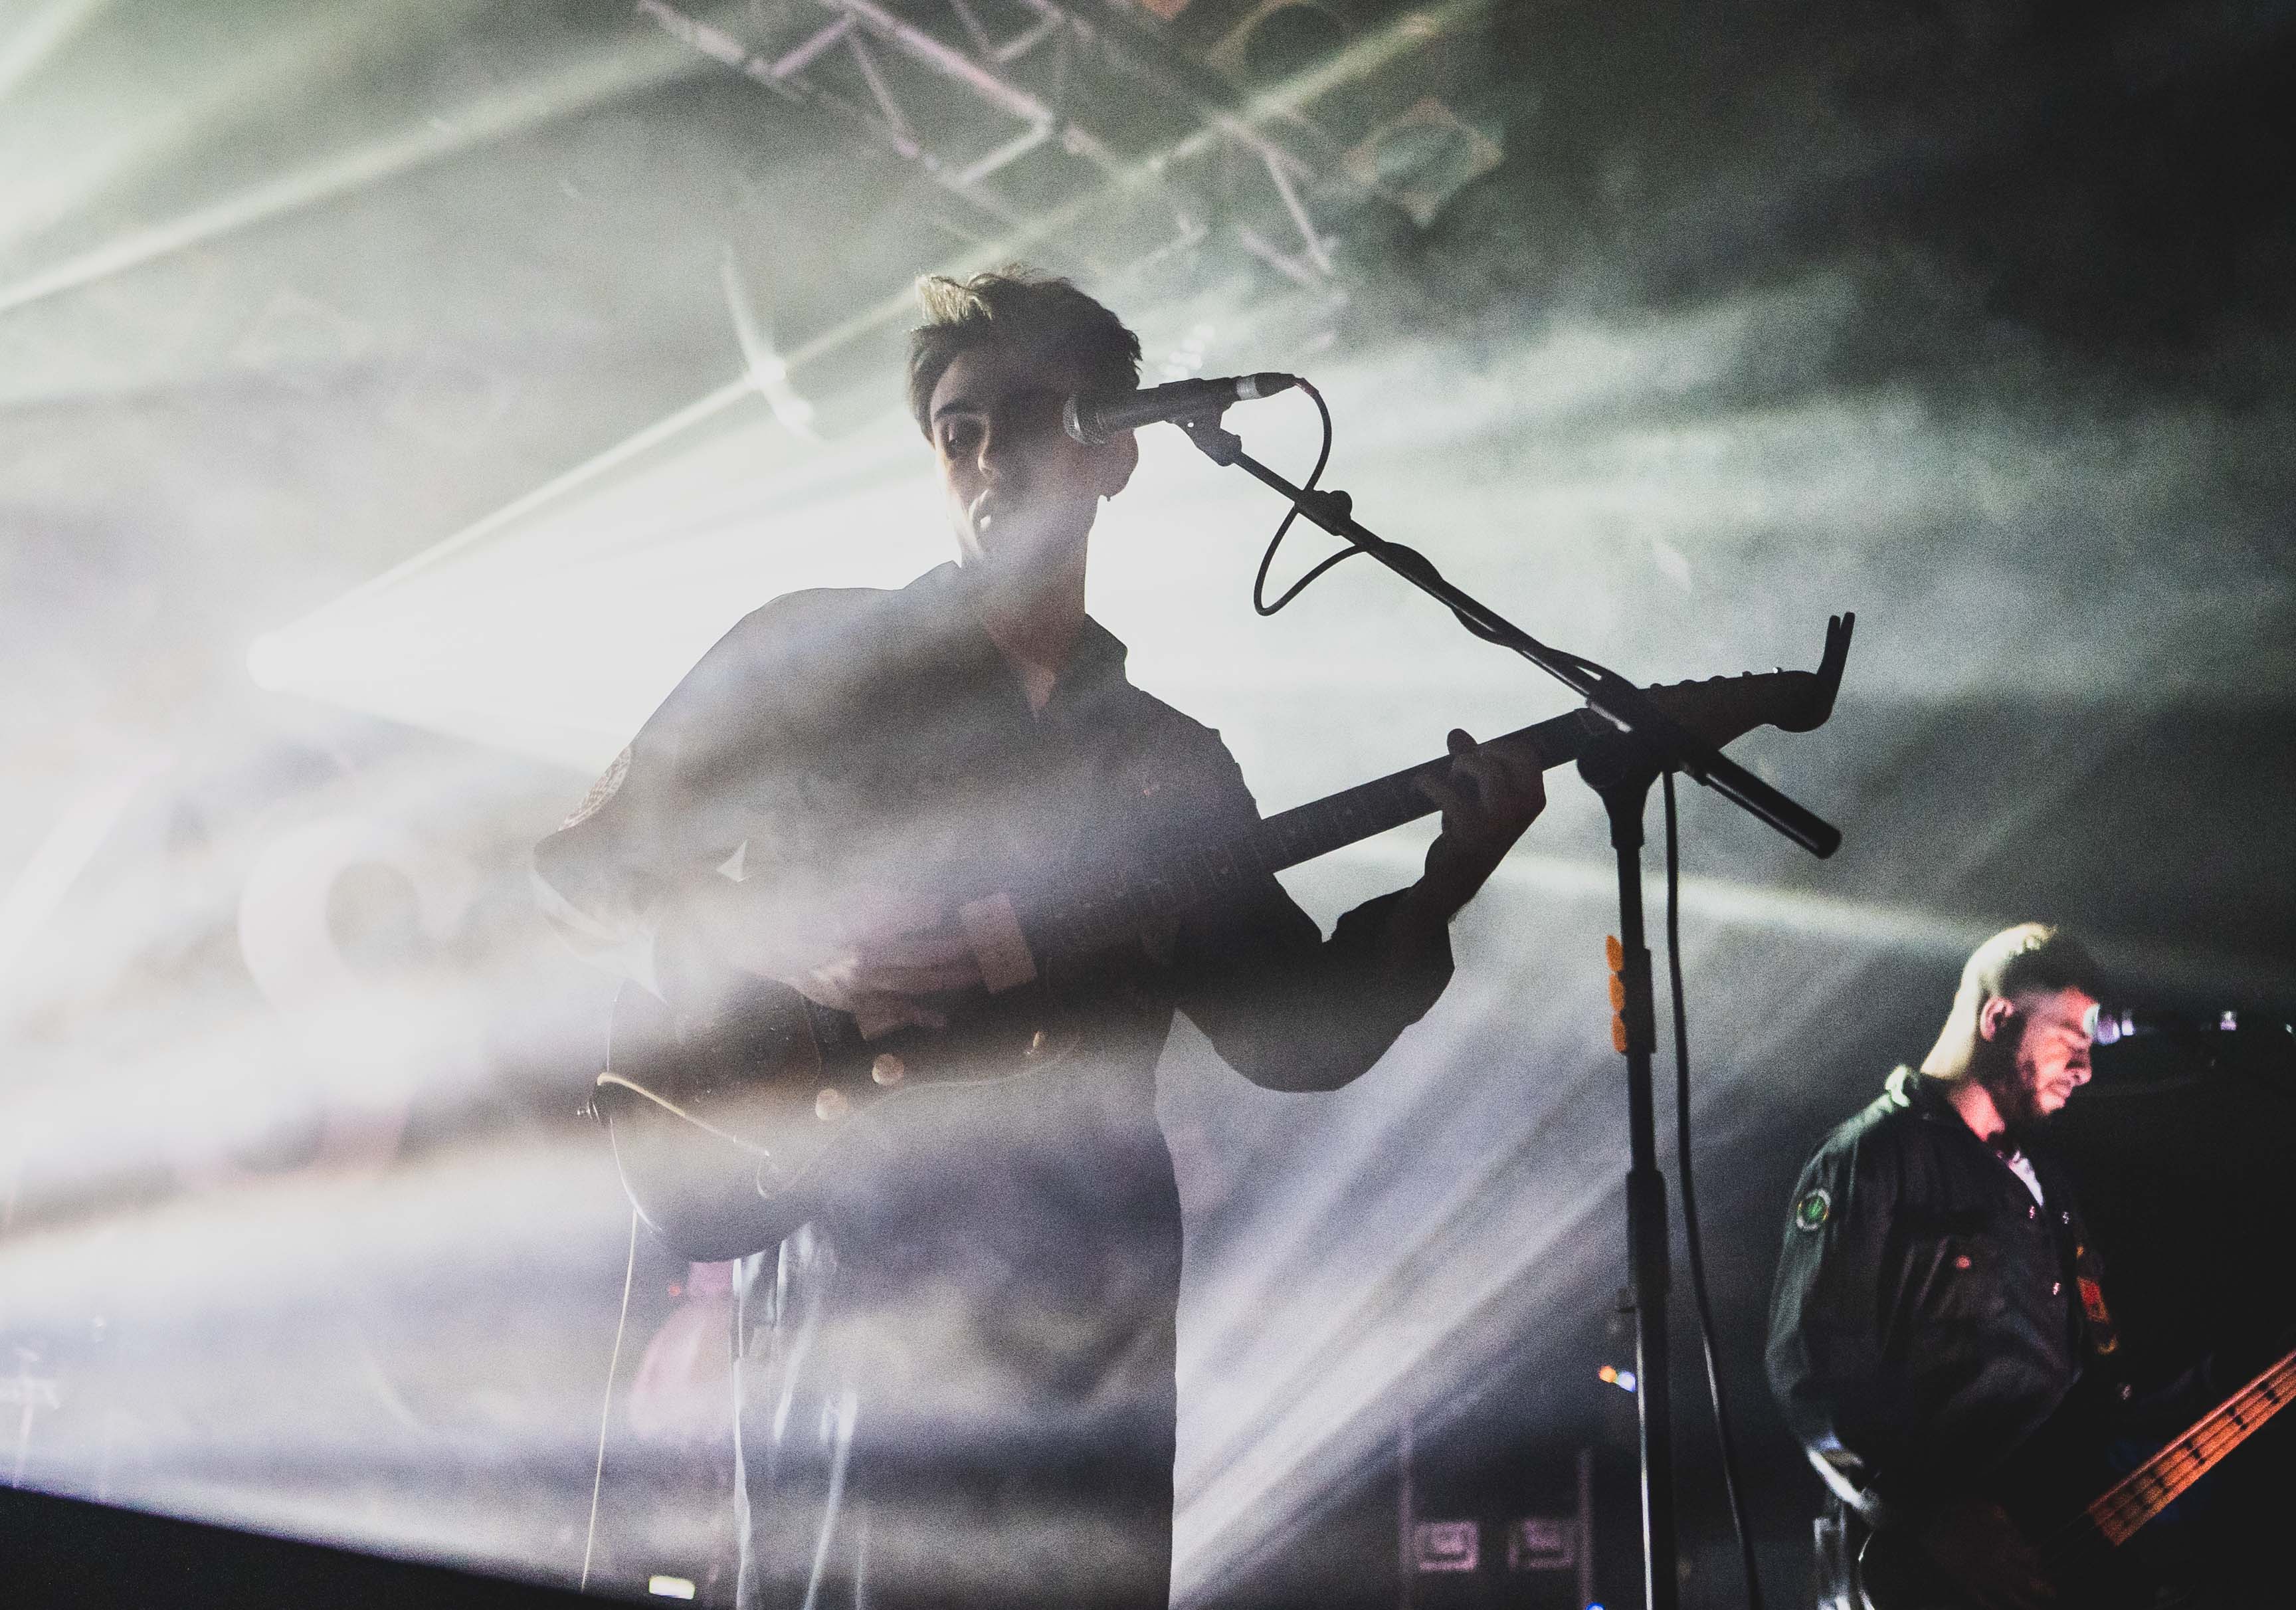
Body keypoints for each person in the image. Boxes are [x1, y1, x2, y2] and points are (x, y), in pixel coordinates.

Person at [533, 269, 1548, 1609]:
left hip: (1095, 1315)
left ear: (1118, 447)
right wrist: (783, 943)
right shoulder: (812, 657)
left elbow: (1296, 1033)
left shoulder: (1167, 763)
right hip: (866, 1276)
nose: (991, 453)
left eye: (1029, 414)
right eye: (958, 428)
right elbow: (586, 866)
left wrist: (1449, 875)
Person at [1767, 923, 2131, 1609]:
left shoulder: (2046, 1182)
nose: (2085, 1068)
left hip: (2039, 1556)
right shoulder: (1871, 1157)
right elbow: (1811, 1369)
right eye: (2071, 1040)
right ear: (1998, 1017)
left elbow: (2090, 1376)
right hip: (1916, 1577)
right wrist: (1932, 1513)